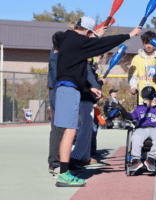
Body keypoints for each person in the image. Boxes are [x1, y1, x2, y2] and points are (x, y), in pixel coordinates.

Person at [54, 16, 141, 187]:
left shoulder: (66, 37)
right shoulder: (80, 42)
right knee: (70, 132)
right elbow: (105, 43)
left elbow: (77, 47)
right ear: (87, 32)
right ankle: (63, 174)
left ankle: (63, 171)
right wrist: (129, 35)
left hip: (66, 87)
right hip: (69, 89)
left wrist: (88, 87)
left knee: (69, 131)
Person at [112, 86, 156, 172]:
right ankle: (136, 160)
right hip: (141, 129)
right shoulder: (139, 108)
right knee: (135, 137)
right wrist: (121, 108)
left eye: (155, 97)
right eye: (151, 98)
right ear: (145, 100)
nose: (154, 99)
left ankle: (151, 159)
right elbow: (129, 117)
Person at [128, 31, 156, 105]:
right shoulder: (136, 58)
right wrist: (133, 87)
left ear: (155, 43)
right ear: (143, 43)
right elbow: (133, 77)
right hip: (142, 100)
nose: (148, 46)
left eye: (151, 43)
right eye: (146, 43)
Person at [47, 31, 65, 175]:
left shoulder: (55, 51)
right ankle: (54, 162)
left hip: (56, 90)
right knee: (58, 127)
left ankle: (55, 161)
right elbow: (56, 78)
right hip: (57, 90)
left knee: (58, 127)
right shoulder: (56, 55)